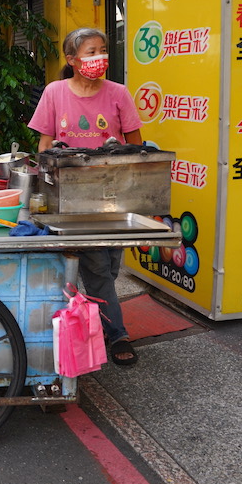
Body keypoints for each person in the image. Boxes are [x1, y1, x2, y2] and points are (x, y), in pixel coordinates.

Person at [28, 27, 144, 366]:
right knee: (96, 265)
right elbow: (45, 145)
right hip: (73, 193)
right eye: (91, 51)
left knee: (109, 266)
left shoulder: (119, 93)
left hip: (115, 191)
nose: (99, 58)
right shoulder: (55, 92)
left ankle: (92, 317)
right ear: (73, 60)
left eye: (103, 50)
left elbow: (135, 145)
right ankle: (117, 334)